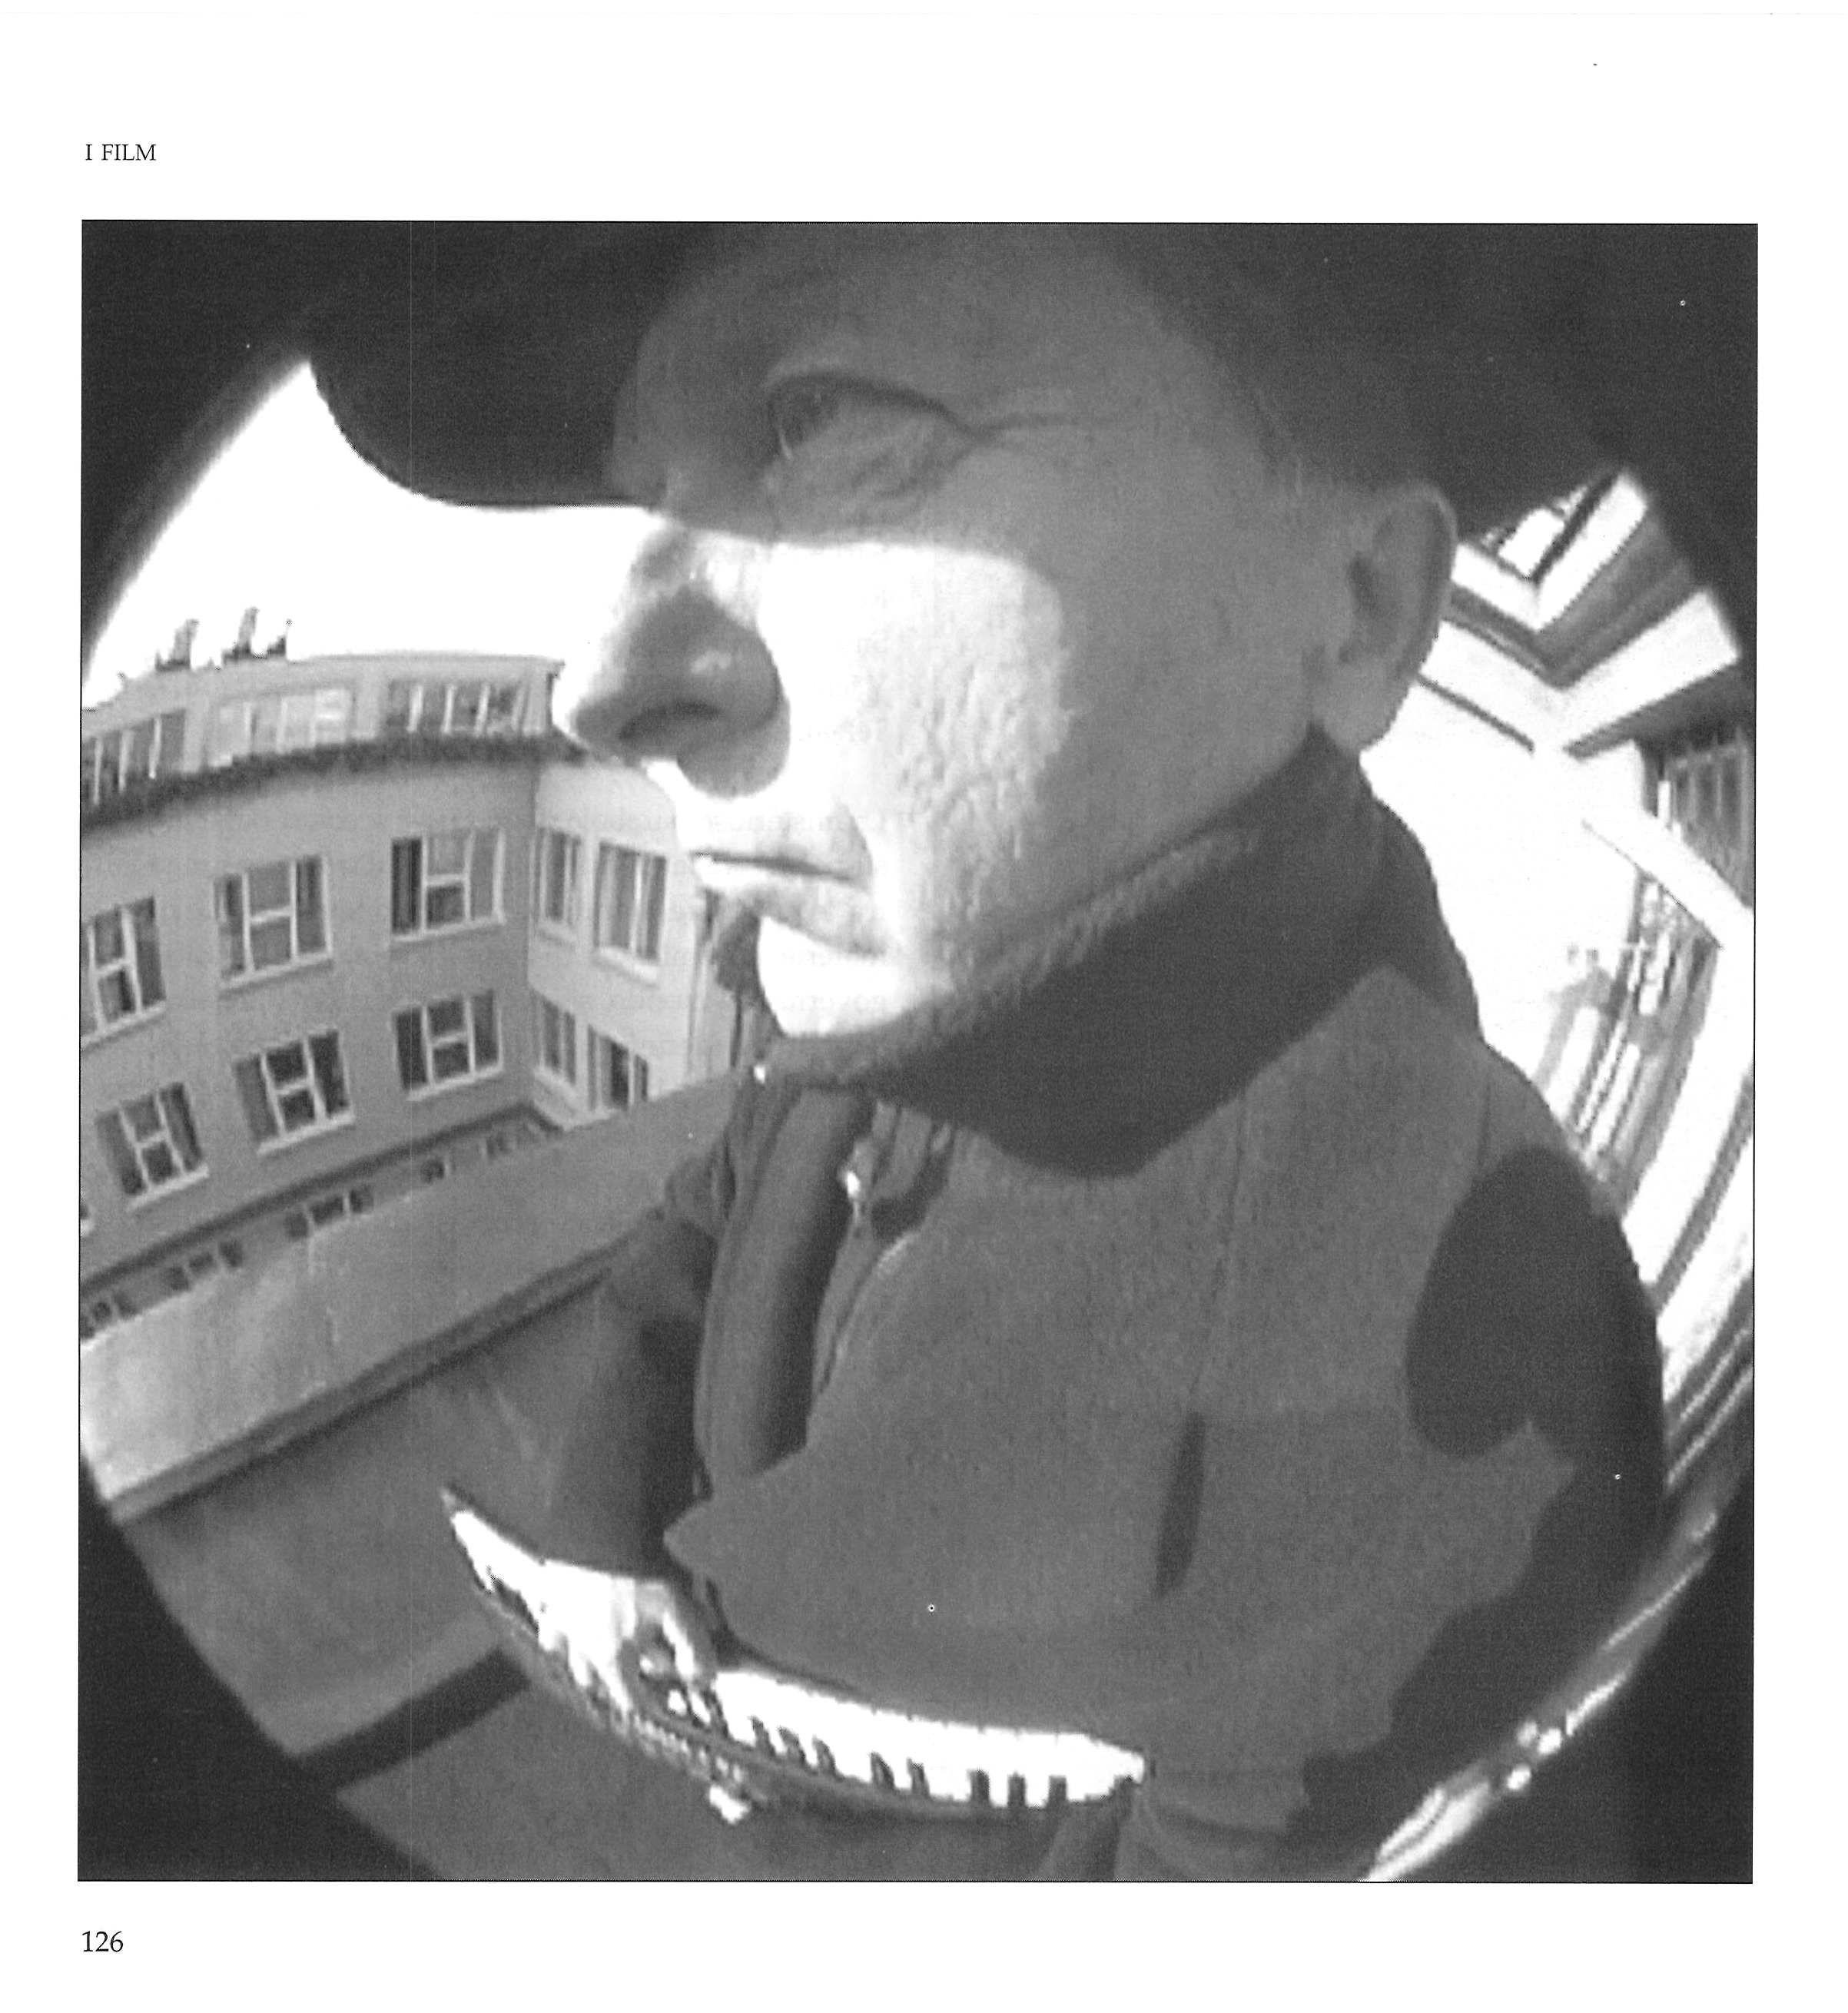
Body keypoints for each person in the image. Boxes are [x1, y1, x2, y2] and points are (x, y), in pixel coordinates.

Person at [396, 226, 1669, 1877]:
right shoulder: (897, 966)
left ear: (1357, 607)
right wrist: (604, 1524)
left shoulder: (1464, 1371)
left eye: (818, 419)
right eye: (648, 496)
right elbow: (703, 1225)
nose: (604, 686)